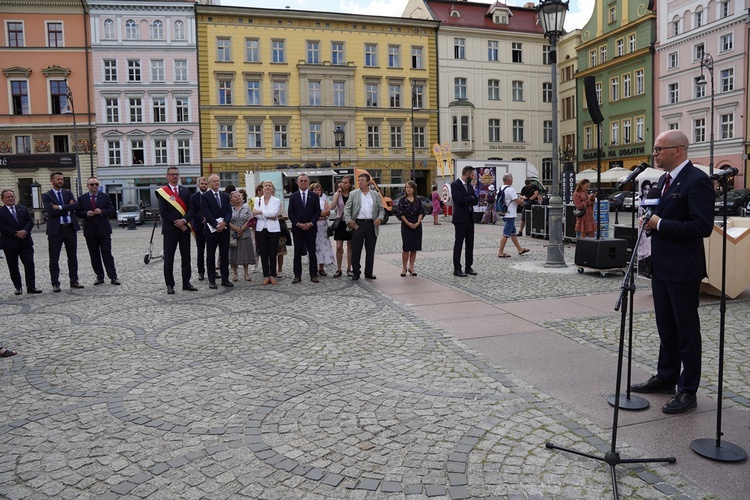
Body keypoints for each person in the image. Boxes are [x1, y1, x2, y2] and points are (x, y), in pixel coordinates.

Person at [630, 130, 714, 414]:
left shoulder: (697, 181)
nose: (655, 154)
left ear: (677, 150)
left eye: (658, 149)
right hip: (662, 266)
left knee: (686, 331)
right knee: (666, 327)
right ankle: (666, 376)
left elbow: (702, 227)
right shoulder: (663, 181)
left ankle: (687, 389)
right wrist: (650, 221)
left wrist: (660, 224)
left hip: (684, 269)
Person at [157, 167, 196, 295]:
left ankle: (186, 283)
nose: (174, 177)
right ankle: (170, 284)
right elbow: (163, 212)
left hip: (184, 229)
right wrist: (177, 223)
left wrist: (184, 221)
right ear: (167, 176)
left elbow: (191, 208)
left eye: (176, 174)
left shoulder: (185, 191)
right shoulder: (163, 192)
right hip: (170, 230)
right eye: (172, 174)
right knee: (169, 258)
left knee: (186, 257)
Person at [42, 171, 83, 292]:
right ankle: (55, 283)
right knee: (54, 258)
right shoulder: (46, 195)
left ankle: (74, 281)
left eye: (62, 179)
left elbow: (76, 206)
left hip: (70, 228)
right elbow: (50, 211)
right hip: (56, 230)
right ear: (52, 181)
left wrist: (60, 207)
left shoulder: (68, 192)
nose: (60, 181)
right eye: (58, 179)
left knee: (72, 257)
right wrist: (67, 208)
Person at [75, 177, 120, 286]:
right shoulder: (82, 198)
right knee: (94, 255)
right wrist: (86, 213)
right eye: (92, 184)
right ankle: (99, 276)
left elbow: (111, 210)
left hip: (103, 230)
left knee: (107, 254)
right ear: (88, 186)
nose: (94, 186)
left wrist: (102, 211)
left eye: (96, 184)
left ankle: (113, 277)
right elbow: (77, 212)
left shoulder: (105, 197)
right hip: (90, 231)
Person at [343, 171, 385, 280]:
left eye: (362, 180)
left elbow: (381, 209)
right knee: (356, 249)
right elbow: (347, 209)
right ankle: (356, 271)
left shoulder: (375, 195)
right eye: (359, 180)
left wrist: (380, 218)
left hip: (371, 225)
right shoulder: (354, 194)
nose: (360, 182)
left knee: (370, 250)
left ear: (368, 183)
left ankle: (369, 272)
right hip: (358, 224)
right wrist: (349, 221)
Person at [0, 189, 42, 295]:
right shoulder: (1, 211)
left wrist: (25, 231)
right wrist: (15, 233)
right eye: (8, 197)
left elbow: (30, 221)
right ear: (2, 199)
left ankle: (31, 286)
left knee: (29, 264)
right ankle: (18, 287)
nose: (11, 198)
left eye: (12, 196)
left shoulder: (22, 209)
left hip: (25, 242)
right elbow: (2, 226)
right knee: (13, 266)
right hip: (10, 243)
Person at [201, 174, 233, 289]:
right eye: (214, 181)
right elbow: (206, 212)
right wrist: (216, 225)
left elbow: (229, 211)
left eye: (218, 181)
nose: (216, 183)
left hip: (224, 229)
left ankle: (225, 279)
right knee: (210, 255)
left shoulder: (225, 195)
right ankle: (212, 280)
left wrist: (225, 223)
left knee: (224, 255)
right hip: (211, 230)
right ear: (209, 183)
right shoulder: (205, 196)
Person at [288, 174, 321, 283]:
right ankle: (297, 275)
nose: (303, 182)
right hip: (298, 229)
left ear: (308, 182)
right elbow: (290, 212)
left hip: (310, 228)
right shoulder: (293, 196)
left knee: (312, 252)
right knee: (297, 253)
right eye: (301, 181)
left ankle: (313, 274)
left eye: (305, 181)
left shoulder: (314, 196)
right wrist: (298, 224)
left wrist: (311, 223)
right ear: (298, 183)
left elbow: (317, 211)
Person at [450, 166, 478, 276]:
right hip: (460, 218)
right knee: (459, 243)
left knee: (470, 243)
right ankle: (457, 268)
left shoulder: (469, 186)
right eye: (472, 175)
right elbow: (459, 199)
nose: (473, 177)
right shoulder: (455, 184)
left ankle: (468, 266)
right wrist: (469, 198)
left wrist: (469, 199)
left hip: (470, 217)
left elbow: (475, 200)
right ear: (467, 174)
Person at [252, 180, 281, 285]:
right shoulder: (258, 200)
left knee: (272, 253)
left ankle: (272, 275)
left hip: (273, 229)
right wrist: (266, 215)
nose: (267, 187)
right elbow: (255, 214)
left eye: (269, 186)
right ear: (262, 188)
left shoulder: (276, 200)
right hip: (261, 229)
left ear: (272, 188)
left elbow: (274, 213)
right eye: (266, 186)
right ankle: (266, 275)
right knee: (263, 253)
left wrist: (261, 212)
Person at [497, 173, 530, 258]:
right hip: (510, 214)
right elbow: (517, 201)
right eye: (512, 179)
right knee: (506, 234)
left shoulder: (500, 188)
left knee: (513, 233)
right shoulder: (510, 189)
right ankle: (500, 252)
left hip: (503, 213)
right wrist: (523, 203)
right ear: (508, 180)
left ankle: (520, 249)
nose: (512, 180)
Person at [397, 180, 423, 276]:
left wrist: (418, 222)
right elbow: (400, 213)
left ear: (414, 189)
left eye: (410, 187)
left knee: (414, 247)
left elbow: (421, 212)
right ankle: (404, 267)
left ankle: (411, 267)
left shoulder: (418, 200)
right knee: (406, 247)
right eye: (407, 187)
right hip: (406, 224)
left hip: (417, 224)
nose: (408, 189)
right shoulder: (402, 200)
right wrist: (408, 223)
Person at [228, 191, 255, 282]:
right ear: (231, 200)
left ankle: (246, 273)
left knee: (245, 254)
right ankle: (235, 274)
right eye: (235, 197)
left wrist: (242, 229)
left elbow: (251, 219)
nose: (238, 198)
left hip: (245, 234)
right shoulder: (229, 209)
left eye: (239, 196)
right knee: (233, 254)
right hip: (233, 235)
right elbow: (227, 220)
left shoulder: (246, 207)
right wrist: (236, 229)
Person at [329, 177, 353, 277]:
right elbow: (331, 207)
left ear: (350, 184)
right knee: (339, 247)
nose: (343, 184)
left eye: (345, 182)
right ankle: (338, 269)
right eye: (342, 182)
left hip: (349, 222)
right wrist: (337, 195)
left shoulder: (353, 194)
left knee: (350, 247)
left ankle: (349, 268)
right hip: (340, 222)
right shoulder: (337, 194)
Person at [311, 182, 334, 276]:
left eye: (318, 190)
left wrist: (317, 215)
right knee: (314, 247)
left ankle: (321, 267)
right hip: (313, 226)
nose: (317, 191)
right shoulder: (310, 201)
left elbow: (327, 212)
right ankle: (314, 268)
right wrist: (320, 214)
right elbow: (309, 214)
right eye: (315, 190)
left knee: (323, 247)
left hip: (322, 227)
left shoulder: (324, 201)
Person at [190, 176, 209, 281]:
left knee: (211, 250)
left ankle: (212, 270)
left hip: (210, 226)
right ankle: (201, 272)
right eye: (202, 184)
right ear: (198, 185)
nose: (204, 185)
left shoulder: (211, 196)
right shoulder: (194, 197)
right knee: (200, 250)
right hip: (199, 226)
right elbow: (192, 211)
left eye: (205, 184)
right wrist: (201, 219)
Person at [636, 180, 653, 278]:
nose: (646, 191)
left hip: (649, 228)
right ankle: (646, 269)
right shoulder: (641, 201)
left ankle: (648, 269)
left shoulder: (651, 201)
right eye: (645, 189)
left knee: (648, 248)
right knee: (643, 247)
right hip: (641, 227)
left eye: (648, 189)